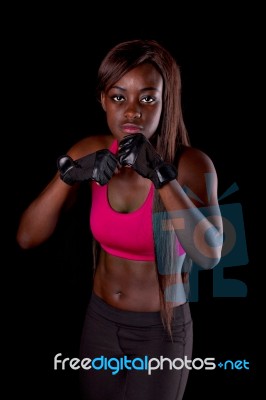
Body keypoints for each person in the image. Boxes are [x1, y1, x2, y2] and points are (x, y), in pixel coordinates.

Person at [16, 39, 223, 400]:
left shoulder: (194, 165)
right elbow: (26, 238)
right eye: (118, 97)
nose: (132, 112)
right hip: (100, 324)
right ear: (102, 100)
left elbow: (212, 254)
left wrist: (162, 176)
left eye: (147, 98)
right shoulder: (88, 151)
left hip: (162, 334)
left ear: (164, 101)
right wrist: (67, 177)